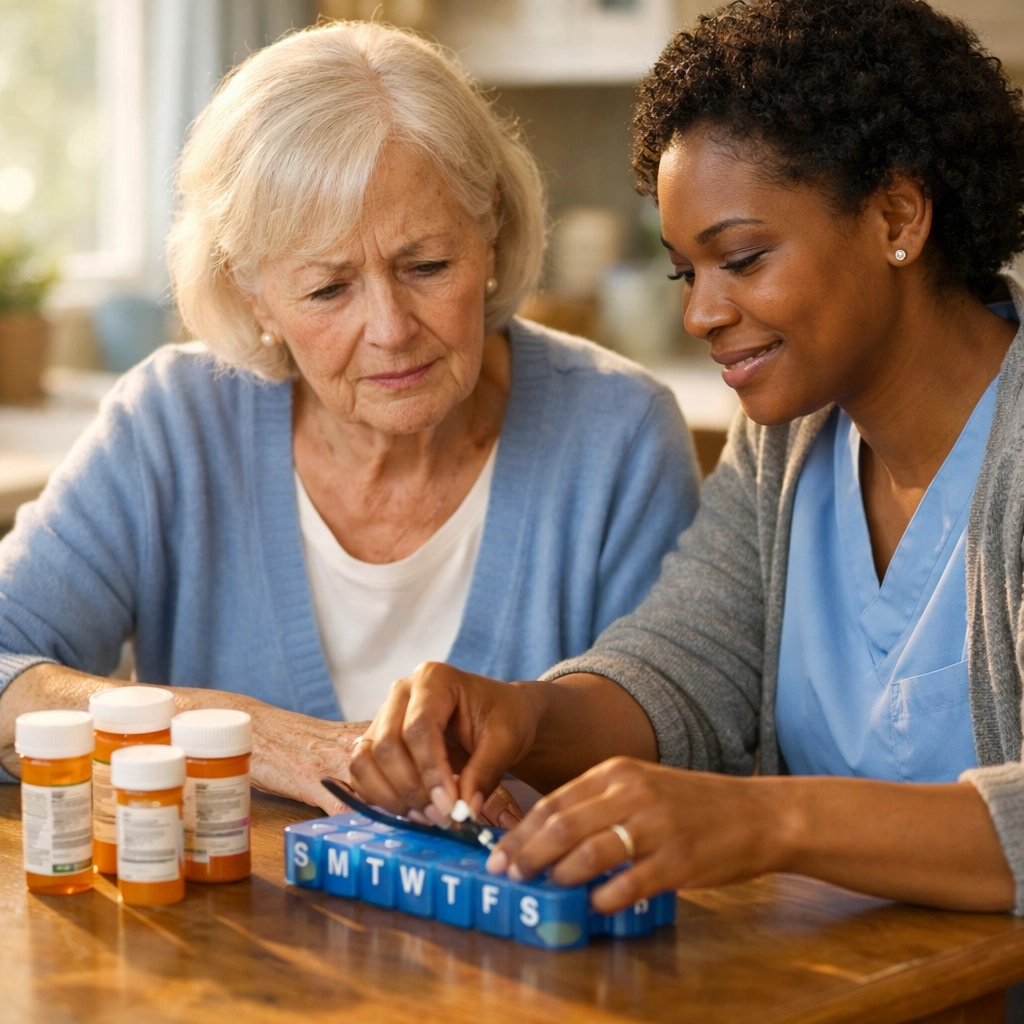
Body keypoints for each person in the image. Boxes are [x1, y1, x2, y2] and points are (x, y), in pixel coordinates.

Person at [349, 0, 1024, 915]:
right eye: (684, 272)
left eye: (741, 259)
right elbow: (684, 669)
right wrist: (519, 714)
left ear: (897, 216)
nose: (701, 313)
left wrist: (765, 821)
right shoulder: (789, 437)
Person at [0, 22, 700, 817]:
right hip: (225, 936)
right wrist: (252, 737)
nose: (391, 329)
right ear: (251, 293)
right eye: (329, 289)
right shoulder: (172, 426)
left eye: (427, 266)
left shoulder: (620, 436)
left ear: (492, 233)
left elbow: (684, 750)